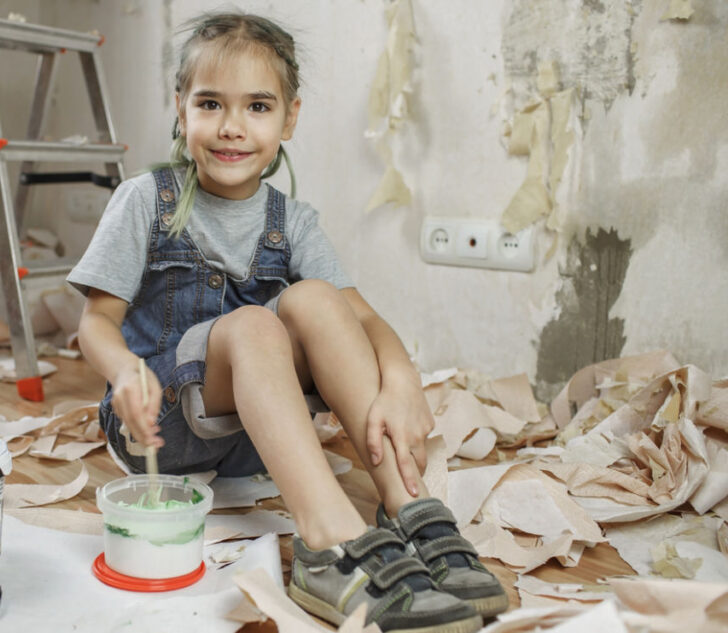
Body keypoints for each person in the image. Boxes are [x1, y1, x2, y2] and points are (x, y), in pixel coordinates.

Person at [69, 12, 507, 632]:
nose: (231, 127)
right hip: (160, 430)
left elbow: (363, 318)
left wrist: (403, 380)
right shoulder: (147, 199)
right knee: (252, 325)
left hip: (257, 443)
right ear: (180, 109)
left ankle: (407, 503)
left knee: (319, 299)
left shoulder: (292, 221)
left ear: (289, 118)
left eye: (257, 107)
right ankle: (326, 541)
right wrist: (123, 371)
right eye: (211, 103)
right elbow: (95, 323)